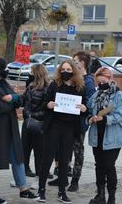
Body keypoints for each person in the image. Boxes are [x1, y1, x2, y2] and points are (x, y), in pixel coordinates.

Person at [34, 60, 87, 203]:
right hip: (54, 126)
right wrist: (49, 104)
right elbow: (44, 104)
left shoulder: (80, 87)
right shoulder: (54, 85)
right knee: (47, 158)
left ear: (74, 71)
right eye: (63, 69)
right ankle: (41, 190)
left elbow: (85, 108)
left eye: (69, 69)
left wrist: (84, 108)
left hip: (70, 128)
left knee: (65, 161)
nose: (65, 71)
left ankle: (62, 191)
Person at [0, 57, 36, 204]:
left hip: (11, 127)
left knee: (17, 157)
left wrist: (12, 98)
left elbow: (19, 100)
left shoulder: (3, 82)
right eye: (3, 67)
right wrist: (11, 103)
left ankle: (23, 188)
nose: (6, 70)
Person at [87, 67, 122, 204]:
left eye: (103, 81)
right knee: (99, 165)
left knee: (109, 165)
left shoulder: (119, 95)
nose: (101, 85)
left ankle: (112, 197)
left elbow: (120, 115)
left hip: (113, 137)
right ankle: (100, 195)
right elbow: (88, 109)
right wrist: (90, 118)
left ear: (110, 79)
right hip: (97, 136)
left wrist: (104, 119)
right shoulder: (95, 95)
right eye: (98, 82)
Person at [66, 51, 96, 192]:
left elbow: (90, 103)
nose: (72, 63)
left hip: (79, 122)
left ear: (82, 63)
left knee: (78, 151)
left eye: (75, 61)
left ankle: (75, 180)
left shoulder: (88, 81)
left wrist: (85, 108)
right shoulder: (71, 78)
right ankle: (63, 175)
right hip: (67, 120)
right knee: (65, 149)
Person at [21, 64, 51, 184]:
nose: (30, 74)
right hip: (39, 123)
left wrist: (29, 116)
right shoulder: (47, 88)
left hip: (29, 122)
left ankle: (24, 172)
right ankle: (39, 175)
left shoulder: (32, 87)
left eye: (32, 72)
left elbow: (26, 104)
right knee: (39, 151)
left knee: (26, 148)